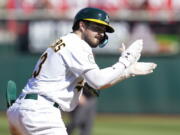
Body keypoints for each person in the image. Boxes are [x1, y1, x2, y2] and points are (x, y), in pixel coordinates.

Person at [6, 7, 157, 135]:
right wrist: (125, 61)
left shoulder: (67, 43)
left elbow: (98, 83)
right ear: (82, 25)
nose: (101, 33)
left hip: (22, 109)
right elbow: (98, 81)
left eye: (104, 30)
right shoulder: (77, 45)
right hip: (41, 113)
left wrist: (127, 72)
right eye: (97, 28)